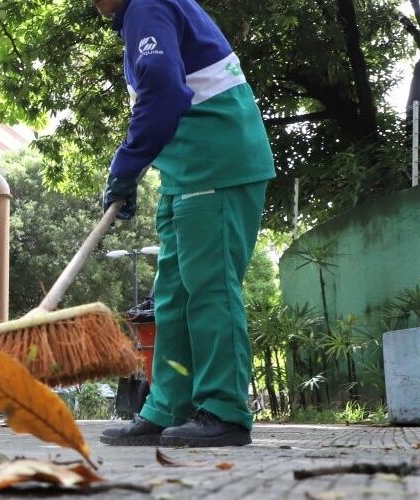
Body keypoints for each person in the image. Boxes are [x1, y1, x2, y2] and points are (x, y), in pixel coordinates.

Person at [94, 0, 276, 447]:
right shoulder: (142, 14)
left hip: (215, 161)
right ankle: (166, 408)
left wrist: (127, 165)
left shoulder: (147, 5)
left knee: (209, 287)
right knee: (172, 296)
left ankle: (225, 410)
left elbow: (164, 90)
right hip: (186, 170)